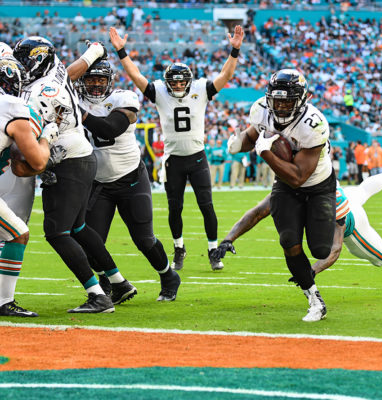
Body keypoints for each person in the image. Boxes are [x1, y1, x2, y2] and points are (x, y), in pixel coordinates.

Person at [109, 25, 244, 271]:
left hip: (197, 156)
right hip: (174, 160)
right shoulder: (160, 91)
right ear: (168, 82)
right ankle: (179, 247)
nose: (179, 86)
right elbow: (137, 77)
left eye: (182, 82)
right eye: (175, 82)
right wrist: (121, 51)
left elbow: (225, 75)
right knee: (175, 207)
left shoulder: (201, 89)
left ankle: (213, 250)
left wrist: (234, 50)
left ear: (189, 82)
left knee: (207, 206)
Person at [14, 36, 130, 313]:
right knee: (77, 227)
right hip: (82, 155)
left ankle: (98, 295)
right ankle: (119, 282)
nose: (21, 67)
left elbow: (32, 151)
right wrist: (98, 49)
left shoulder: (38, 93)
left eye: (24, 61)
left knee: (57, 233)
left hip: (67, 159)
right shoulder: (55, 70)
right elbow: (80, 64)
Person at [227, 69, 335, 322]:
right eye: (277, 100)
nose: (282, 105)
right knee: (289, 241)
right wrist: (239, 143)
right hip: (285, 185)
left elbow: (299, 176)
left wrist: (265, 153)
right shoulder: (261, 110)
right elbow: (253, 135)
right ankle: (314, 299)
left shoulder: (314, 124)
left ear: (302, 99)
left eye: (288, 100)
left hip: (318, 185)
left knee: (320, 250)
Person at [213, 161, 382, 275]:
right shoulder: (297, 183)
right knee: (363, 189)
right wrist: (228, 239)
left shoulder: (325, 201)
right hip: (343, 195)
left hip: (348, 220)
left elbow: (335, 248)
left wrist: (312, 271)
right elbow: (257, 212)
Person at [73, 58, 181, 302]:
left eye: (101, 79)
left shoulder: (124, 98)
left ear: (110, 80)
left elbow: (110, 128)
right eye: (91, 79)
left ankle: (168, 276)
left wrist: (78, 113)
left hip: (131, 178)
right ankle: (109, 283)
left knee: (144, 240)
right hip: (98, 183)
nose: (96, 85)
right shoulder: (75, 100)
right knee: (91, 243)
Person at [0, 56, 53, 317]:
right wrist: (47, 138)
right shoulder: (12, 106)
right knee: (17, 233)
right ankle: (3, 301)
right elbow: (38, 161)